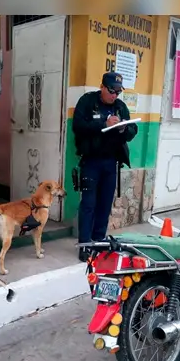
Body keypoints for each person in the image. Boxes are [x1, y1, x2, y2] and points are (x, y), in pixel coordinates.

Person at [72, 71, 138, 261]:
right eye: (111, 91)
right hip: (91, 162)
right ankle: (85, 244)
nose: (114, 95)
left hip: (111, 163)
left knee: (104, 205)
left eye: (118, 92)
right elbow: (78, 126)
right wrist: (104, 123)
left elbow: (133, 130)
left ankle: (98, 241)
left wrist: (124, 128)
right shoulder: (88, 101)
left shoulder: (120, 107)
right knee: (88, 204)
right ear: (102, 87)